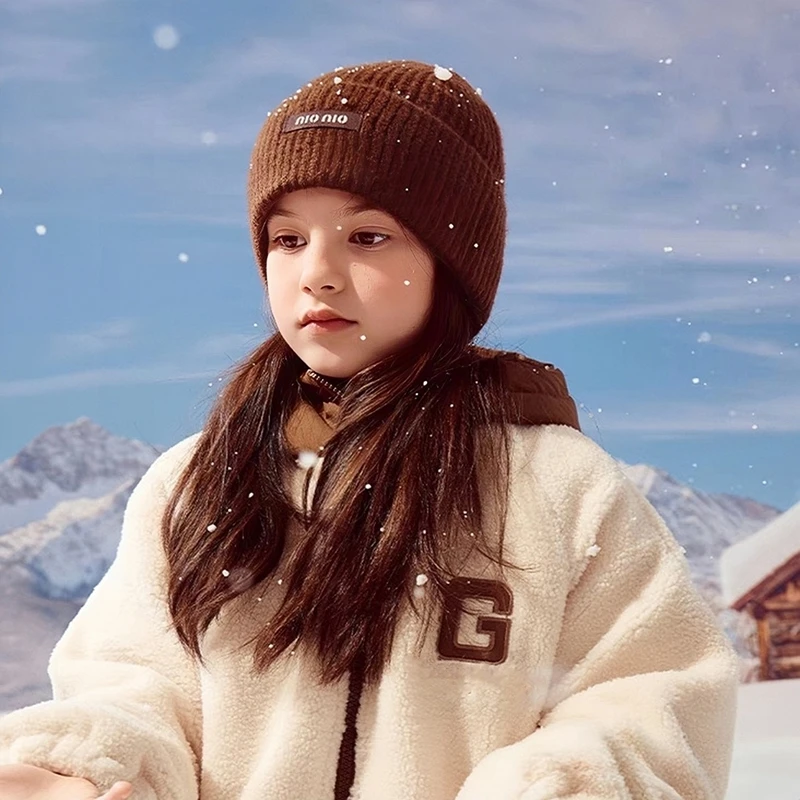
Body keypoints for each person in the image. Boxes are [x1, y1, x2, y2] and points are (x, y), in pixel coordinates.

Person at [0, 59, 738, 800]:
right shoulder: (196, 484)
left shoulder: (560, 487)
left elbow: (653, 701)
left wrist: (561, 785)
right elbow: (138, 690)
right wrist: (79, 770)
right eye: (288, 240)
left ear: (451, 264)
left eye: (368, 237)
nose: (317, 272)